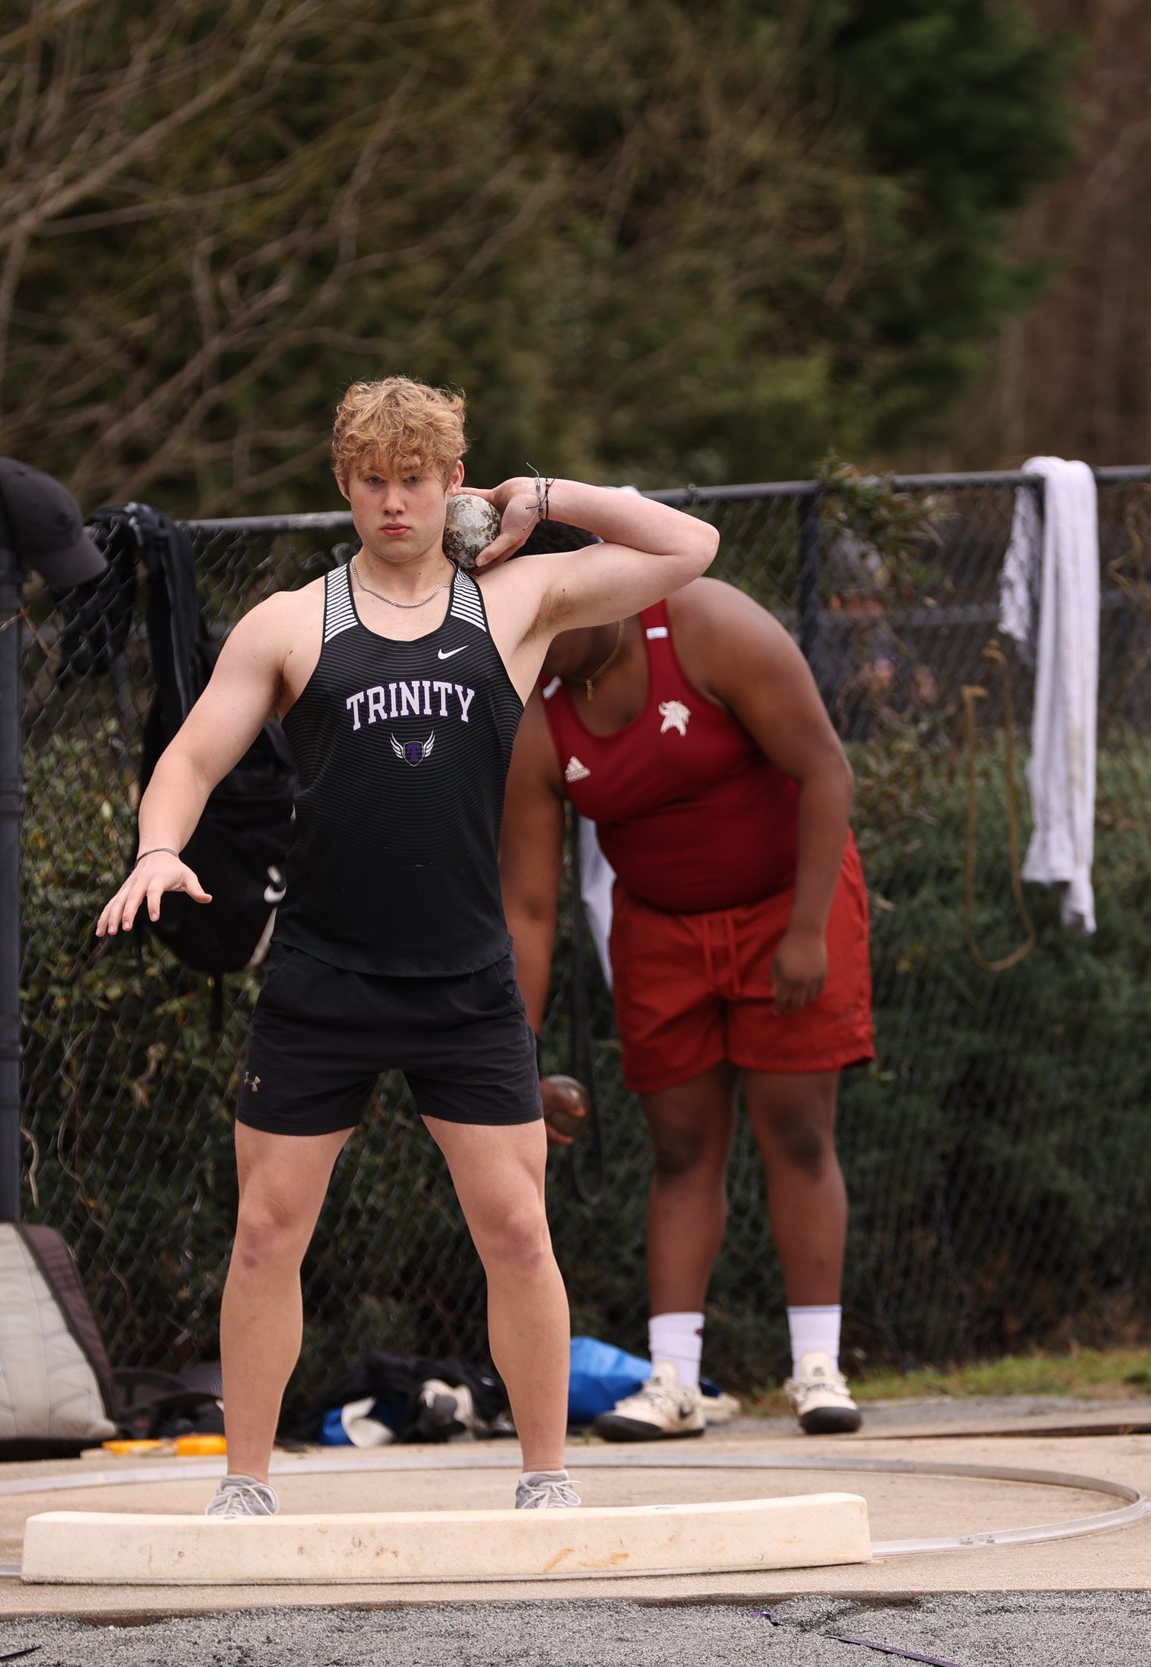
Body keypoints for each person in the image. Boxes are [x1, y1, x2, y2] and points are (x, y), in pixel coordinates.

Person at [96, 377, 718, 1515]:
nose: (395, 501)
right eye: (374, 479)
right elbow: (187, 761)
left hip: (464, 980)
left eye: (417, 479)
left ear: (450, 485)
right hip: (323, 974)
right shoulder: (290, 620)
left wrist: (543, 496)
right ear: (345, 484)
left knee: (518, 1230)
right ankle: (245, 1484)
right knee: (266, 1232)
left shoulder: (519, 601)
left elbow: (691, 542)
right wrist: (156, 849)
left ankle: (545, 1477)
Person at [499, 575, 873, 1439]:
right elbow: (528, 905)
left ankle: (817, 1366)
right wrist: (510, 1048)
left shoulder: (707, 624)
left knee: (799, 1130)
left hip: (788, 903)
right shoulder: (534, 712)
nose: (540, 634)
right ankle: (675, 1380)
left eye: (557, 610)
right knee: (680, 1148)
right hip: (660, 932)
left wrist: (809, 929)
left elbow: (825, 769)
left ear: (602, 584)